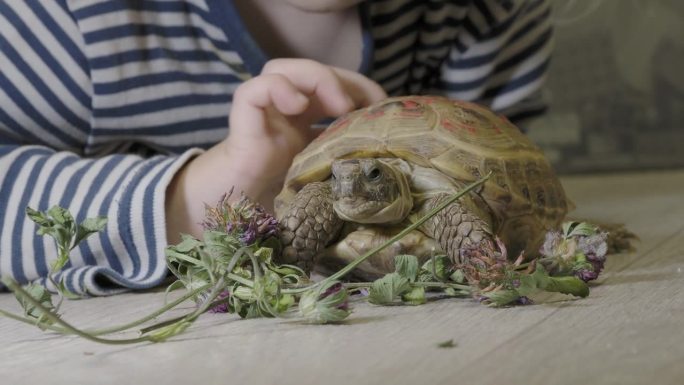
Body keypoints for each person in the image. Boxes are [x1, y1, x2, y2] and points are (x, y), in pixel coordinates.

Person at [0, 0, 553, 295]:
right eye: (339, 182)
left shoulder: (486, 13)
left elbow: (521, 192)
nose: (346, 191)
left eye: (368, 181)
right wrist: (189, 201)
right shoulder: (68, 16)